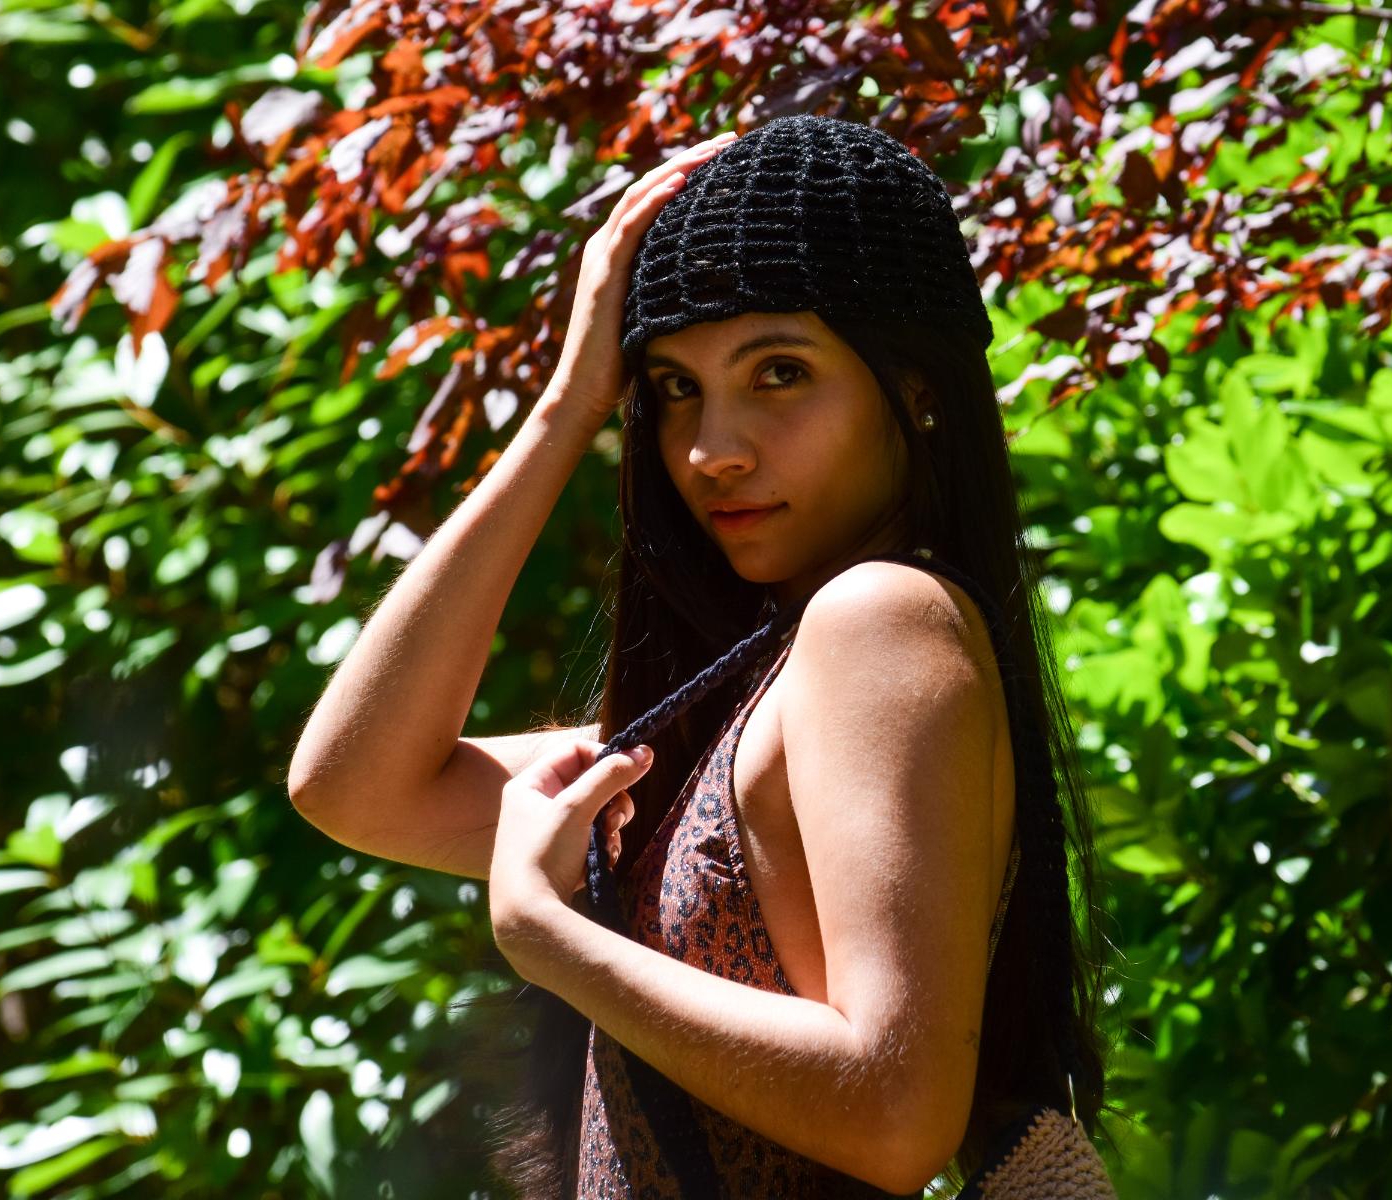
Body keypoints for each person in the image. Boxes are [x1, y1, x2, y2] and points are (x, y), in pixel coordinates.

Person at [288, 114, 1112, 1199]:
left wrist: (550, 936)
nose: (710, 450)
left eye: (779, 371)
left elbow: (896, 1116)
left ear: (917, 388)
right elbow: (353, 786)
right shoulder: (752, 690)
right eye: (675, 387)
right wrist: (569, 405)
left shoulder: (879, 618)